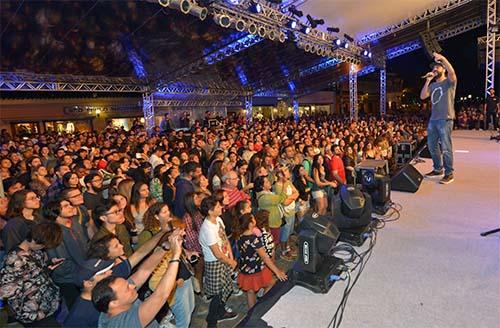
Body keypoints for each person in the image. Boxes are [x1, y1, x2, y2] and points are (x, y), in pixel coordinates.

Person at [91, 229, 184, 328]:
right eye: (127, 288)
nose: (132, 286)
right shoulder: (122, 324)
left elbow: (144, 271)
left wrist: (167, 246)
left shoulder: (118, 300)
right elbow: (160, 295)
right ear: (114, 303)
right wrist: (176, 255)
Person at [0, 221, 63, 326]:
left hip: (45, 307)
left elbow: (34, 271)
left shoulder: (34, 251)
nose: (43, 247)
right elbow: (5, 291)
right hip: (33, 313)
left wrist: (48, 266)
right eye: (42, 245)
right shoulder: (15, 260)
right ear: (34, 239)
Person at [198, 196, 238, 327]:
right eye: (217, 206)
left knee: (224, 289)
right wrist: (230, 262)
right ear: (210, 211)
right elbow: (216, 253)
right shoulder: (208, 228)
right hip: (215, 263)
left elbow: (224, 238)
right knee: (217, 293)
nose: (221, 207)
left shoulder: (218, 219)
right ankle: (211, 321)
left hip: (224, 259)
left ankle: (221, 312)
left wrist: (231, 256)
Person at [233, 213, 287, 309]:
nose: (255, 220)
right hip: (256, 269)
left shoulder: (240, 235)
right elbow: (265, 257)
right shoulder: (254, 240)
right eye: (253, 219)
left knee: (250, 291)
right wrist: (277, 272)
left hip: (245, 268)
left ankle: (251, 313)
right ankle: (261, 306)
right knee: (271, 283)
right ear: (250, 224)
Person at [420, 52, 457, 184]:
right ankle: (437, 169)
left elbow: (452, 72)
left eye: (438, 67)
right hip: (434, 119)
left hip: (445, 118)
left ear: (443, 69)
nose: (434, 69)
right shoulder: (432, 85)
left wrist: (443, 59)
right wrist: (428, 80)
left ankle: (449, 173)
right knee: (431, 145)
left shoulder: (449, 82)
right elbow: (423, 96)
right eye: (433, 67)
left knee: (446, 147)